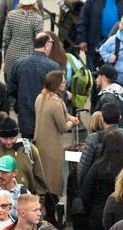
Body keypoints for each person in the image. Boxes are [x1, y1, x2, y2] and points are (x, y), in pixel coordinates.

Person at [0, 117, 48, 197]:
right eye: (5, 139)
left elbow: (39, 176)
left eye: (12, 138)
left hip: (25, 198)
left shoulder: (29, 149)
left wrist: (40, 199)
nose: (9, 142)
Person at [34, 71, 79, 201]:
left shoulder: (40, 97)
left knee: (43, 176)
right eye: (63, 82)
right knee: (53, 179)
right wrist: (72, 121)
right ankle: (53, 209)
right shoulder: (56, 103)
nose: (65, 83)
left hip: (40, 143)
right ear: (57, 85)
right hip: (52, 146)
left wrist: (68, 117)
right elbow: (63, 127)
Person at [76, 102, 123, 188]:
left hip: (99, 187)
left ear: (102, 119)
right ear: (120, 117)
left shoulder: (92, 139)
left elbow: (83, 168)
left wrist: (83, 188)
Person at [9, 33, 61, 139]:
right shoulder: (53, 66)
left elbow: (11, 89)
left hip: (25, 115)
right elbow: (58, 92)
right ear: (46, 45)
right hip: (47, 117)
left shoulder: (19, 64)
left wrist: (18, 107)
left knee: (27, 150)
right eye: (51, 43)